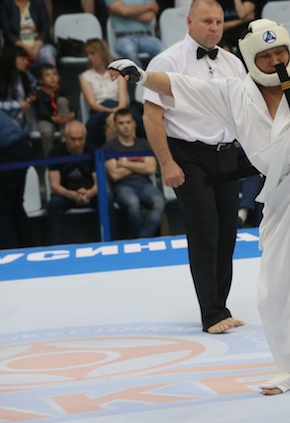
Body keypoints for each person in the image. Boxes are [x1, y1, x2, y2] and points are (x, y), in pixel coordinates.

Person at [111, 0, 290, 394]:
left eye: (281, 52)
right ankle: (288, 369)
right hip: (286, 190)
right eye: (265, 56)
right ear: (250, 60)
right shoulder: (233, 93)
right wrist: (143, 76)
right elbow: (182, 86)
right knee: (275, 281)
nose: (276, 61)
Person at [142, 0, 247, 335]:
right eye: (206, 21)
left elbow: (246, 111)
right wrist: (166, 162)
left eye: (218, 21)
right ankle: (211, 313)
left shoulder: (233, 62)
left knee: (228, 232)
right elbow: (152, 114)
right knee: (205, 231)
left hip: (226, 153)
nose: (214, 27)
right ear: (189, 22)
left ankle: (221, 305)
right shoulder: (168, 60)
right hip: (188, 155)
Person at [104, 108, 165, 238]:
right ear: (115, 126)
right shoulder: (110, 147)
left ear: (134, 123)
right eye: (121, 123)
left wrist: (125, 163)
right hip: (122, 187)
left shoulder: (144, 144)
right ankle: (144, 239)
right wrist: (140, 164)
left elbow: (151, 168)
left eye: (128, 122)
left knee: (159, 201)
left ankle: (143, 238)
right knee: (132, 203)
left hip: (145, 184)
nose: (125, 126)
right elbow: (115, 174)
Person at [80, 38, 143, 147]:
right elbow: (92, 103)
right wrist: (110, 111)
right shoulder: (85, 77)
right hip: (100, 109)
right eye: (87, 54)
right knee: (93, 124)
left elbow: (123, 98)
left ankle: (143, 148)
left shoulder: (118, 72)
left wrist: (117, 112)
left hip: (119, 106)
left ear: (102, 53)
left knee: (137, 117)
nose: (89, 57)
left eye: (92, 53)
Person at [46, 121, 99, 245]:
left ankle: (110, 240)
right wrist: (74, 195)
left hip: (89, 194)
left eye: (81, 139)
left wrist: (88, 194)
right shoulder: (55, 152)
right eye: (73, 139)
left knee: (106, 199)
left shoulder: (94, 151)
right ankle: (55, 246)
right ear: (65, 137)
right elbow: (54, 186)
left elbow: (99, 182)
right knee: (54, 204)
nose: (77, 143)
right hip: (66, 195)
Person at [0, 109, 35, 250]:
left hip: (10, 151)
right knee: (15, 205)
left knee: (2, 207)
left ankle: (5, 253)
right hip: (21, 147)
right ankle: (29, 248)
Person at [106, 0, 167, 66]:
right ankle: (139, 73)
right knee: (129, 51)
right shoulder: (148, 5)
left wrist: (126, 12)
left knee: (163, 49)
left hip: (146, 37)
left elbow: (149, 17)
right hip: (123, 37)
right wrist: (148, 6)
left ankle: (160, 72)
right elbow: (124, 11)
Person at [0, 0, 58, 66]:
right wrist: (28, 50)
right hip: (17, 47)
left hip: (40, 45)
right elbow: (8, 33)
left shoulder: (38, 3)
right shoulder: (5, 5)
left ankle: (50, 72)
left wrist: (36, 47)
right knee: (17, 59)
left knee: (47, 54)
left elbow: (45, 28)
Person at [35, 65, 75, 158]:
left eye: (54, 74)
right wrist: (53, 118)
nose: (52, 77)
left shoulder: (64, 90)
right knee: (46, 131)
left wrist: (72, 114)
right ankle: (50, 160)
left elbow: (73, 105)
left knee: (62, 101)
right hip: (47, 120)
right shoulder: (39, 94)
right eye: (47, 75)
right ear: (41, 80)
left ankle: (67, 153)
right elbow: (41, 111)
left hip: (65, 120)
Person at [0, 45, 37, 133]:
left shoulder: (25, 76)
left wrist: (30, 98)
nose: (26, 62)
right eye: (22, 59)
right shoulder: (2, 80)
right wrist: (17, 104)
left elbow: (35, 87)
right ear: (12, 60)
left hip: (22, 123)